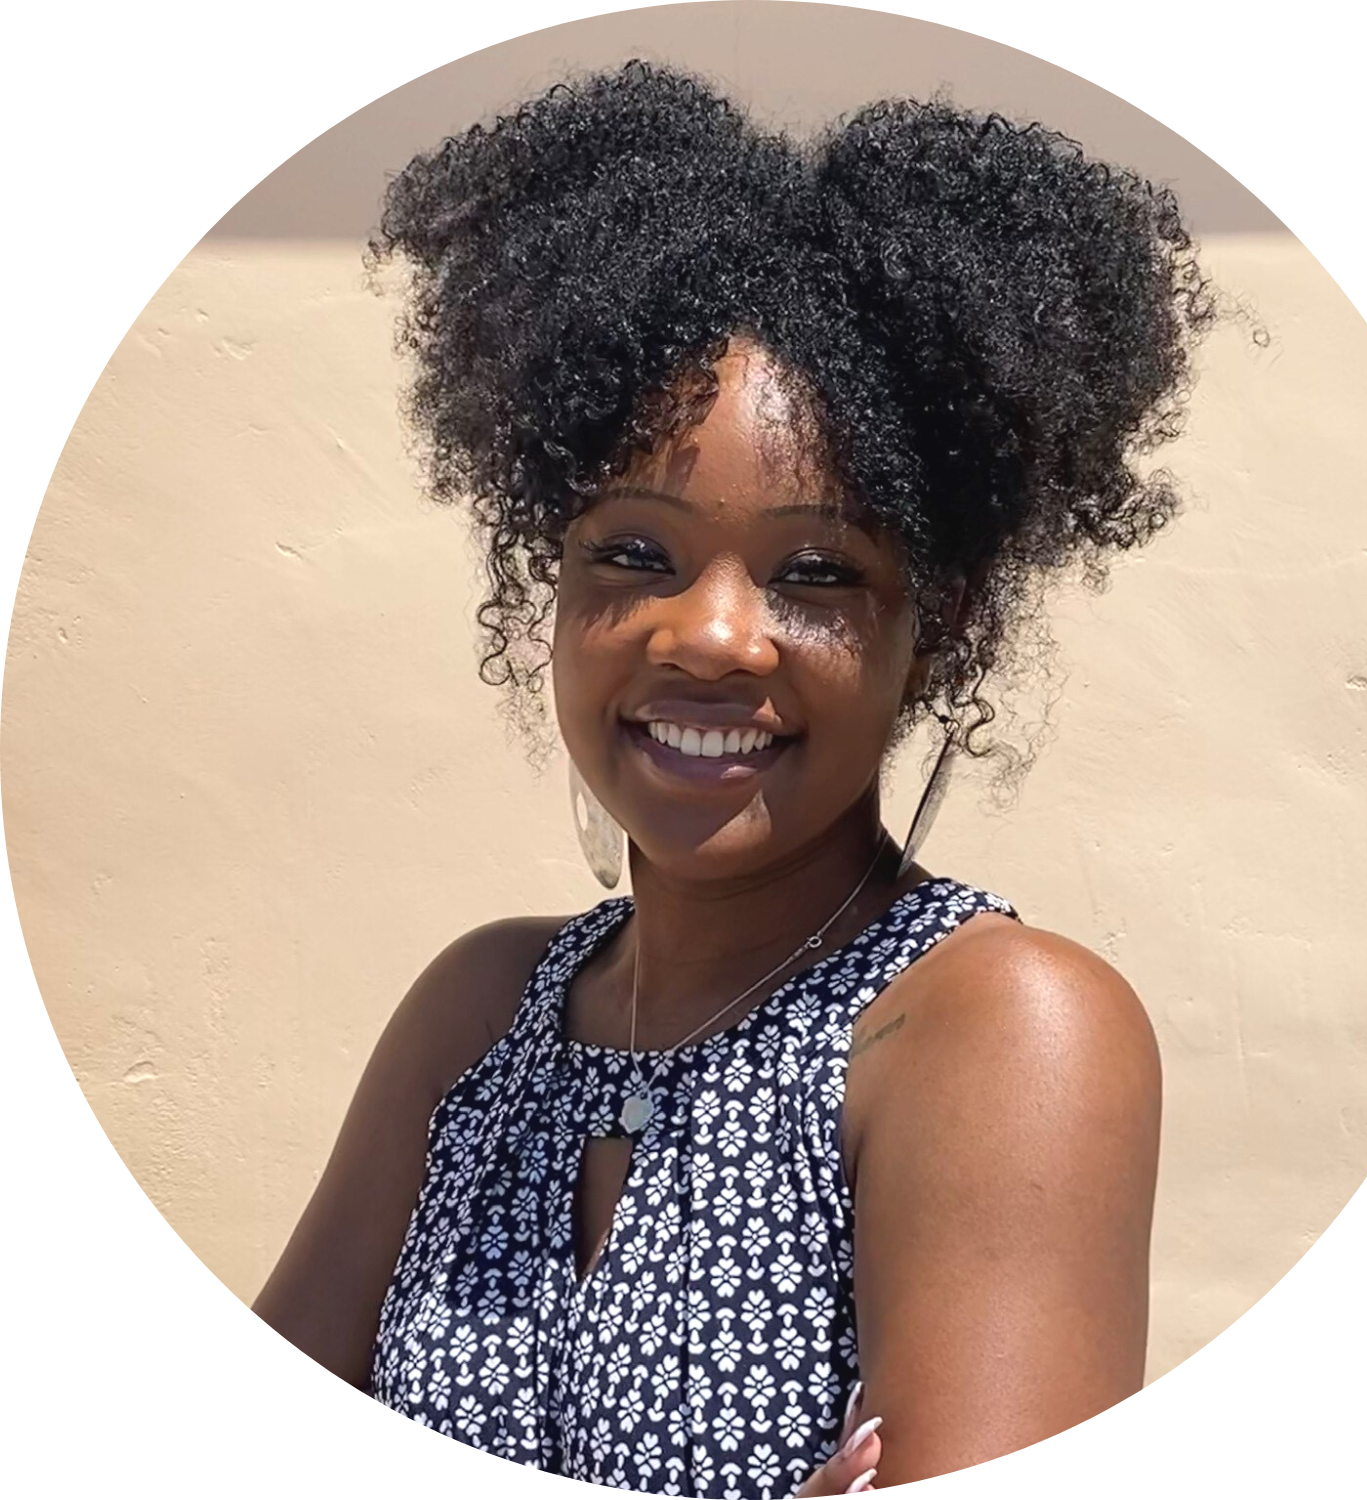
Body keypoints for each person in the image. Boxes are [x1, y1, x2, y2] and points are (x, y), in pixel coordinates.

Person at [252, 59, 1211, 1494]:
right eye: (632, 553)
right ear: (550, 590)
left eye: (816, 572)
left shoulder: (994, 1034)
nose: (707, 635)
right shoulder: (477, 1017)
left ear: (932, 629)